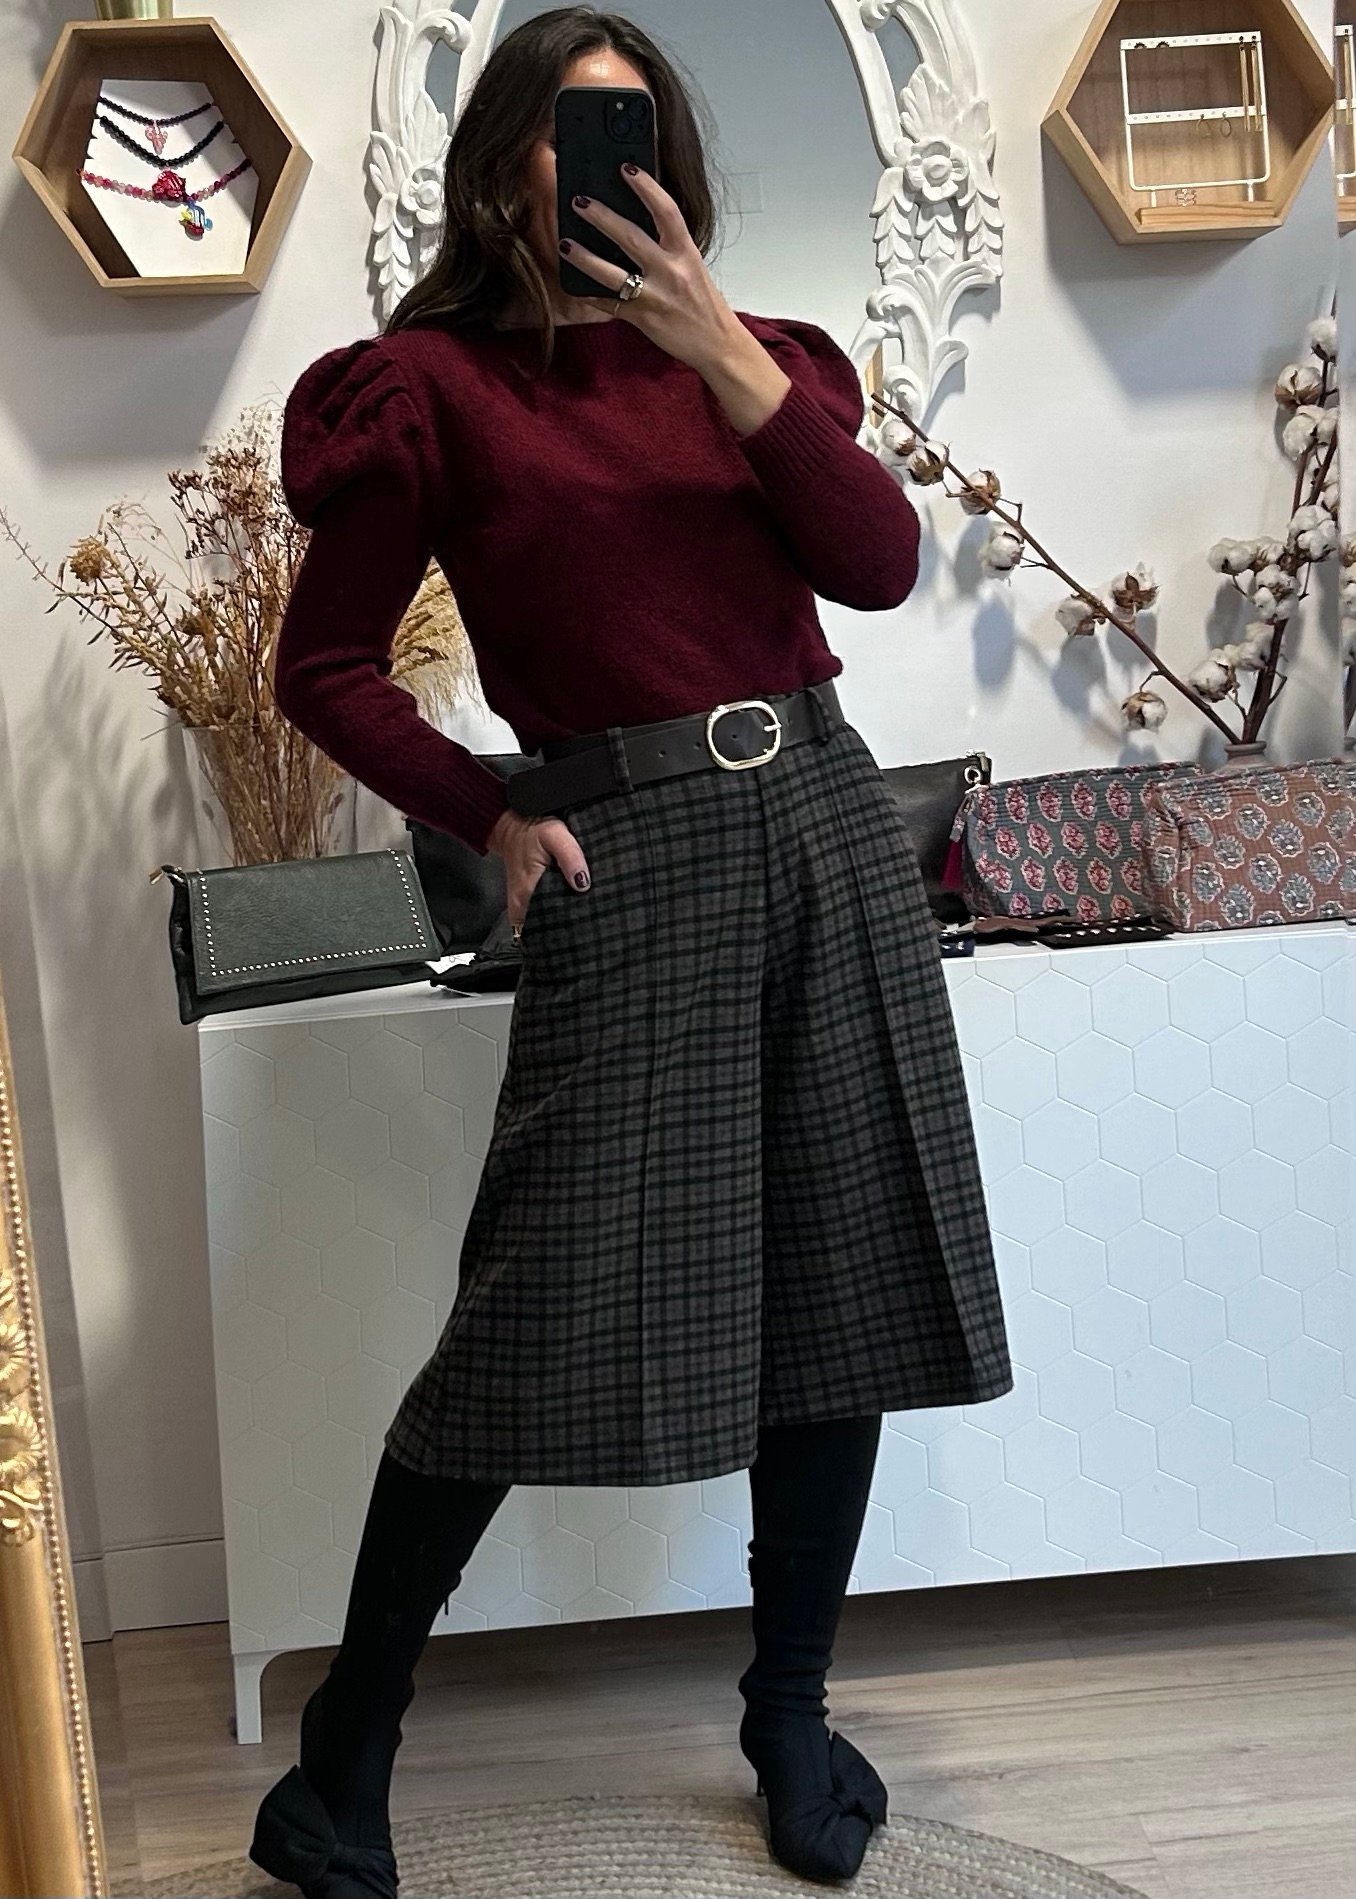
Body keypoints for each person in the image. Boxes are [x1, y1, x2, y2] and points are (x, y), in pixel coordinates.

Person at [250, 8, 1013, 1892]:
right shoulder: (430, 393)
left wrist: (721, 355)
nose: (617, 156)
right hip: (633, 855)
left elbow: (877, 566)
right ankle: (344, 1752)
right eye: (579, 127)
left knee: (841, 1281)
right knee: (528, 1313)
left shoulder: (761, 359)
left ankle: (789, 1711)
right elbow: (323, 666)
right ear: (503, 159)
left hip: (828, 819)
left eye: (643, 125)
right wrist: (492, 810)